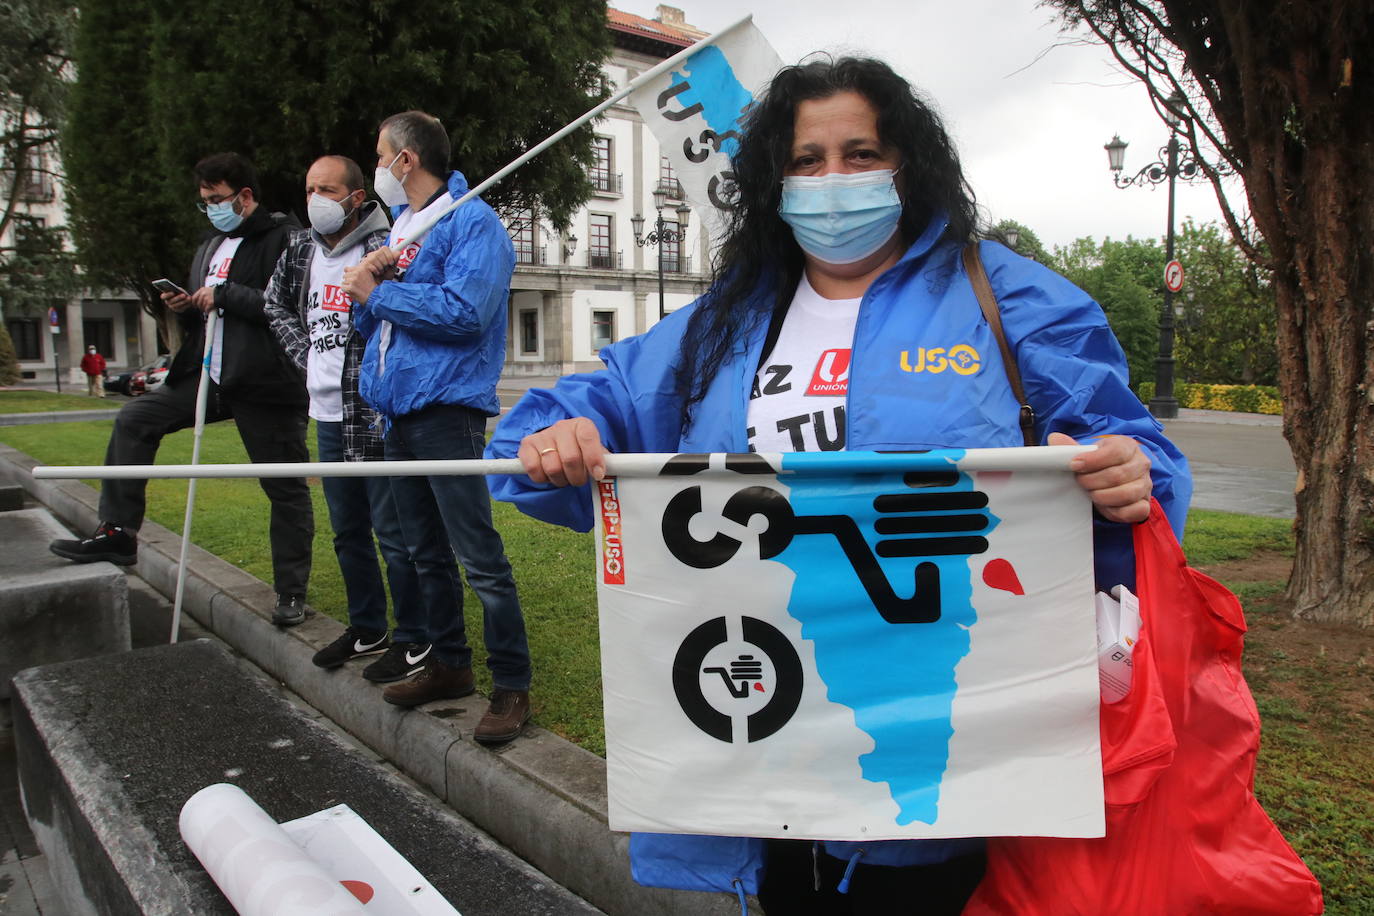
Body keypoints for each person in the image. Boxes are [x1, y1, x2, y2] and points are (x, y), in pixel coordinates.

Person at [485, 58, 1192, 913]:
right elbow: (544, 439)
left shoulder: (1006, 293)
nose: (834, 181)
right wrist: (563, 439)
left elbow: (1139, 455)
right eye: (807, 161)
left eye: (861, 154)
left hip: (959, 744)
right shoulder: (726, 322)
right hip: (765, 728)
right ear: (772, 183)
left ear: (908, 165)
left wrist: (1128, 473)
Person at [50, 153, 315, 627]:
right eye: (205, 202)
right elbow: (206, 311)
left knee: (284, 486)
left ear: (245, 196)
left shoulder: (286, 239)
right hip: (205, 375)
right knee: (134, 418)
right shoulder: (210, 244)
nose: (211, 208)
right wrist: (186, 304)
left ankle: (291, 591)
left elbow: (292, 305)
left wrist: (226, 294)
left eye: (217, 200)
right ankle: (118, 531)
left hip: (266, 381)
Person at [340, 110, 532, 745]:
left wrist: (378, 293)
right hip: (397, 411)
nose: (377, 168)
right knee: (423, 551)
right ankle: (448, 665)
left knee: (479, 557)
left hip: (446, 411)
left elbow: (464, 313)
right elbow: (382, 326)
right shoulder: (404, 227)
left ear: (406, 159)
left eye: (379, 155)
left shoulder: (473, 220)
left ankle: (511, 685)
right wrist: (371, 289)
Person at [265, 154, 425, 675]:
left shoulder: (387, 248)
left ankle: (414, 636)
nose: (316, 201)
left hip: (371, 413)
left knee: (392, 531)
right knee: (347, 529)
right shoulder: (298, 251)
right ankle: (367, 627)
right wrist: (306, 354)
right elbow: (275, 306)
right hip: (325, 415)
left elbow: (403, 315)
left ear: (356, 197)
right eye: (310, 189)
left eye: (328, 190)